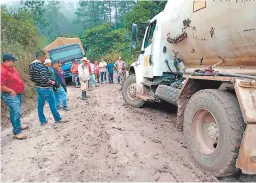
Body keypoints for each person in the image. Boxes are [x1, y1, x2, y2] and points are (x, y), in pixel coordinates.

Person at [29, 51, 67, 126]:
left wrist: (38, 81)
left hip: (38, 88)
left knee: (40, 105)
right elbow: (44, 78)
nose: (44, 59)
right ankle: (58, 119)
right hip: (46, 88)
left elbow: (32, 78)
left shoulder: (31, 66)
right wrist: (51, 82)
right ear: (41, 57)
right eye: (44, 57)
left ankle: (42, 121)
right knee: (52, 104)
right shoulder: (41, 66)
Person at [1, 53, 28, 140]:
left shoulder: (11, 68)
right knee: (16, 112)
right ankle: (17, 132)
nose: (14, 63)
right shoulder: (2, 71)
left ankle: (18, 126)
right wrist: (11, 90)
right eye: (12, 61)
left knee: (16, 111)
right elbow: (1, 86)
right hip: (10, 95)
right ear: (6, 61)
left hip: (17, 94)